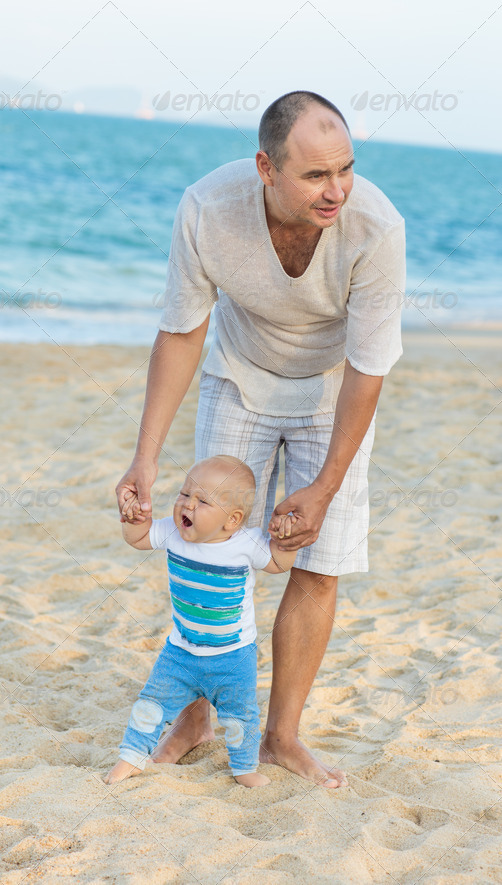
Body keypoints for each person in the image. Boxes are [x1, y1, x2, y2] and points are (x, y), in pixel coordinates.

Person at [116, 90, 406, 788]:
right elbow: (183, 330)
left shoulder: (377, 227)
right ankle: (193, 716)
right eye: (315, 175)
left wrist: (324, 486)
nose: (337, 189)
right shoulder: (208, 209)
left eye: (346, 169)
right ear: (265, 169)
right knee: (204, 542)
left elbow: (370, 368)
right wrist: (145, 456)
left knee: (318, 563)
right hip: (238, 376)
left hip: (333, 391)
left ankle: (279, 734)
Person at [105, 455, 297, 787]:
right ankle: (131, 758)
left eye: (202, 500)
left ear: (232, 520)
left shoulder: (246, 544)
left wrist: (285, 540)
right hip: (179, 654)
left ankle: (244, 768)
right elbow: (137, 539)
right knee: (151, 705)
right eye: (184, 494)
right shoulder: (170, 531)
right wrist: (132, 516)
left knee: (241, 717)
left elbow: (278, 563)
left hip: (234, 658)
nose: (187, 505)